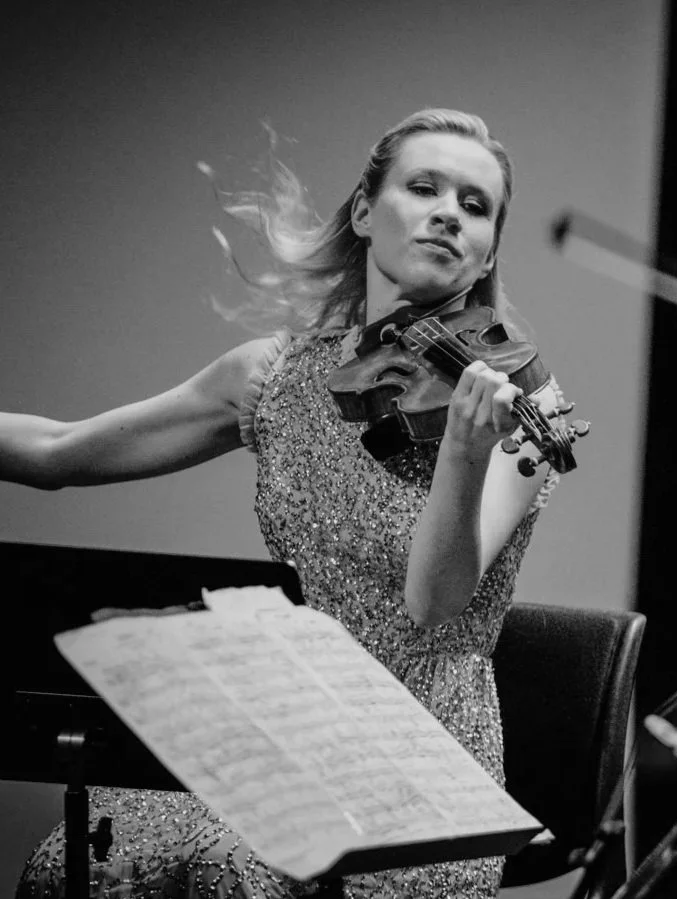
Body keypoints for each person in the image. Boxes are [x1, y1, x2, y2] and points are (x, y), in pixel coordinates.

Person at [6, 108, 566, 899]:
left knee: (234, 877)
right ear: (365, 212)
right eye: (424, 188)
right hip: (279, 736)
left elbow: (433, 600)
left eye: (475, 206)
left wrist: (466, 453)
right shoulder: (273, 376)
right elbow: (57, 452)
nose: (449, 212)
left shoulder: (523, 404)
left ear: (487, 254)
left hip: (424, 764)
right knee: (72, 866)